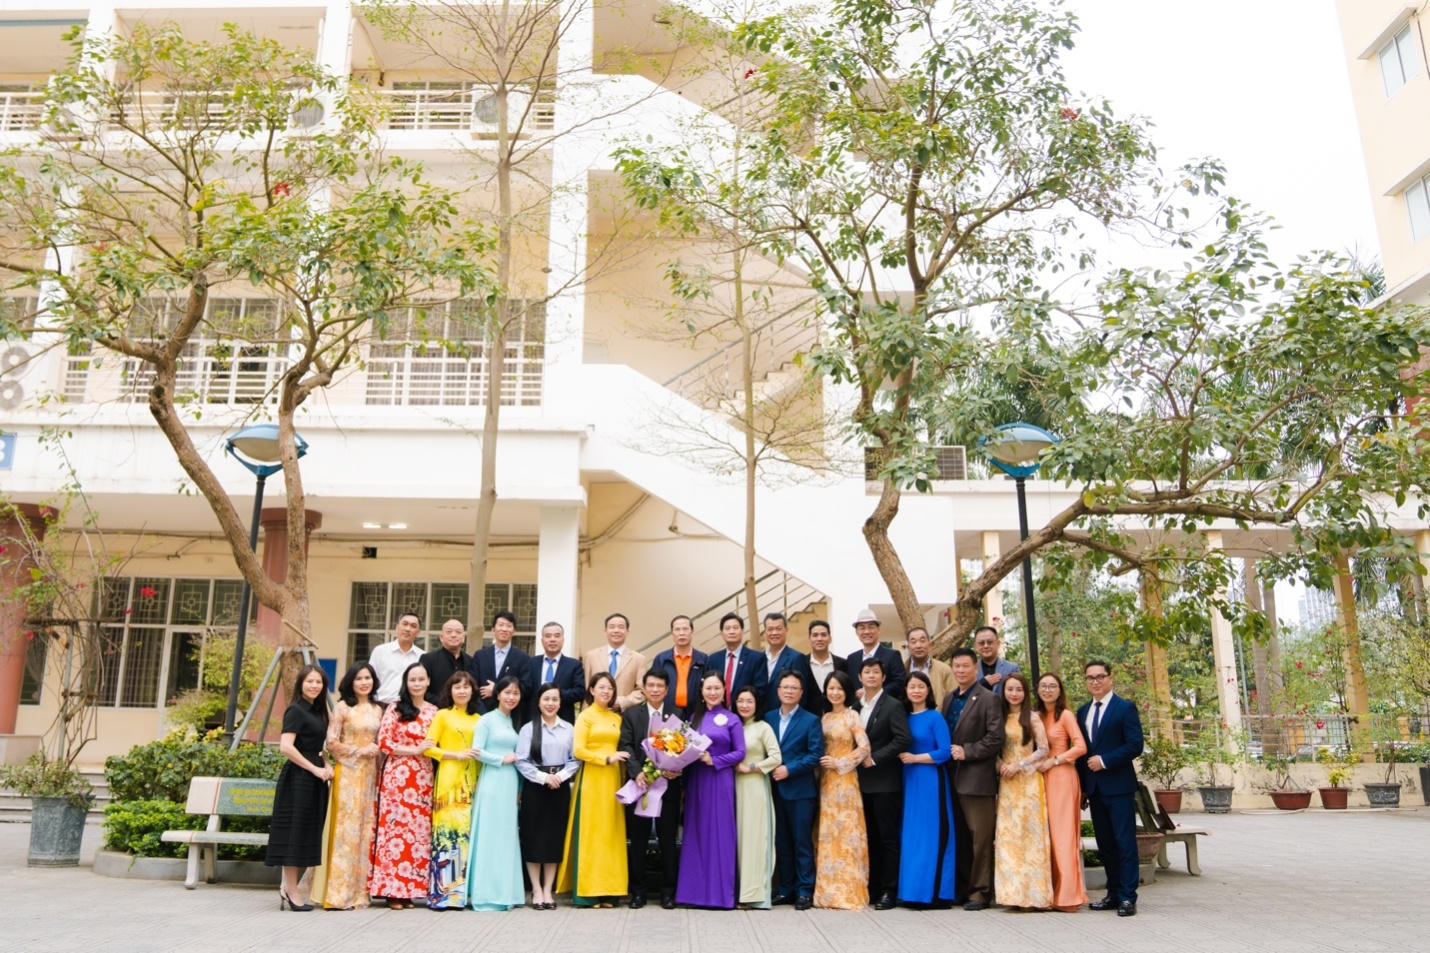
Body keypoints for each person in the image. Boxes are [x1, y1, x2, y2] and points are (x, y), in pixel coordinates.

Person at [1077, 659, 1145, 917]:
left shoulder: (1124, 708)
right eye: (1090, 677)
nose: (1095, 681)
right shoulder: (1083, 711)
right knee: (1105, 845)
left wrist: (1105, 761)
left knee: (1124, 843)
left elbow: (1135, 745)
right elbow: (1083, 753)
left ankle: (1128, 897)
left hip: (1119, 787)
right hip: (1095, 790)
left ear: (1110, 678)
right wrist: (1083, 788)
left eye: (1100, 676)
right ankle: (1113, 893)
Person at [558, 672, 630, 906]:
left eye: (610, 688)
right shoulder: (585, 717)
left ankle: (610, 891)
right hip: (592, 779)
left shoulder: (616, 718)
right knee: (592, 834)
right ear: (591, 690)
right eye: (601, 687)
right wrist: (606, 758)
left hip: (613, 780)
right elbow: (578, 750)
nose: (606, 691)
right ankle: (588, 892)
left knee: (611, 835)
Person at [369, 663, 438, 908]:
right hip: (397, 776)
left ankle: (410, 890)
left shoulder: (434, 711)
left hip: (423, 778)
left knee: (418, 834)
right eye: (412, 680)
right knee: (395, 832)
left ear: (428, 681)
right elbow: (384, 742)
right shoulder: (395, 708)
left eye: (421, 679)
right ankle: (391, 890)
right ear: (406, 683)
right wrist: (414, 750)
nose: (417, 684)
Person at [675, 672, 746, 909]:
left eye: (717, 688)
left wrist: (714, 760)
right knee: (696, 832)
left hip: (719, 778)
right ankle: (693, 893)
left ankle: (719, 895)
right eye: (708, 688)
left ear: (724, 691)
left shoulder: (732, 719)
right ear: (702, 691)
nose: (712, 692)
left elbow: (740, 752)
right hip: (696, 780)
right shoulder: (693, 718)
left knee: (720, 832)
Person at [941, 646, 1004, 910]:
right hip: (950, 777)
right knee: (960, 837)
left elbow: (995, 738)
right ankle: (962, 888)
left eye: (965, 665)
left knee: (980, 838)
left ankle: (981, 892)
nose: (961, 670)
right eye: (956, 666)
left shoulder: (988, 699)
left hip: (977, 779)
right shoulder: (948, 698)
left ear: (975, 668)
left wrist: (967, 752)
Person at [266, 664, 332, 911]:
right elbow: (286, 747)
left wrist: (327, 764)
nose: (314, 685)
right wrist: (314, 769)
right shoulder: (295, 710)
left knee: (306, 832)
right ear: (300, 684)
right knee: (294, 833)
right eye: (309, 681)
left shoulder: (319, 710)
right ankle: (290, 890)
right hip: (298, 778)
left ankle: (292, 888)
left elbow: (319, 747)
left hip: (315, 777)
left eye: (318, 682)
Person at [319, 662, 383, 910]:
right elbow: (331, 742)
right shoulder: (343, 708)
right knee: (346, 832)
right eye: (359, 678)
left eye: (368, 678)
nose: (364, 682)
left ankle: (359, 893)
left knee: (365, 831)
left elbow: (381, 742)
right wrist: (360, 751)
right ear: (351, 682)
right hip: (348, 774)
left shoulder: (378, 709)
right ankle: (338, 893)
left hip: (370, 775)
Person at [619, 668, 683, 909]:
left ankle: (668, 892)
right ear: (644, 689)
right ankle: (638, 892)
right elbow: (626, 745)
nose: (655, 690)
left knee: (668, 841)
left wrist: (676, 768)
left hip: (668, 787)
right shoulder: (631, 714)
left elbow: (683, 747)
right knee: (638, 841)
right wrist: (637, 773)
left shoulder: (677, 714)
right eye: (651, 686)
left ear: (666, 690)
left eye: (660, 686)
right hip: (640, 786)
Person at [854, 657, 911, 909]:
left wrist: (875, 758)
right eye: (867, 672)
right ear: (860, 677)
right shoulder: (854, 707)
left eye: (876, 672)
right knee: (870, 837)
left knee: (888, 837)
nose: (871, 676)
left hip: (885, 782)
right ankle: (873, 886)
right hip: (859, 782)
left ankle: (889, 890)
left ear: (883, 677)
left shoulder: (893, 705)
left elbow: (903, 739)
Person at [516, 682, 579, 910]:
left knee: (554, 838)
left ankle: (548, 890)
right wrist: (544, 778)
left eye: (555, 699)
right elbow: (521, 761)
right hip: (535, 787)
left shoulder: (569, 729)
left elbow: (575, 759)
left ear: (560, 703)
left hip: (559, 787)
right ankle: (536, 889)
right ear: (539, 702)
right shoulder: (528, 729)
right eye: (546, 699)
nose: (550, 703)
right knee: (533, 837)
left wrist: (559, 777)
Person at [993, 672, 1053, 910]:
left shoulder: (1033, 717)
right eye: (1010, 689)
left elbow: (1044, 749)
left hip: (1028, 782)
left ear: (1025, 693)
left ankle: (1034, 895)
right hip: (1007, 783)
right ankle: (1012, 895)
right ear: (1003, 692)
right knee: (1009, 837)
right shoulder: (999, 717)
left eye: (1019, 689)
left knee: (1030, 836)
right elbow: (993, 749)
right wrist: (1001, 765)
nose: (1014, 694)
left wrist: (1019, 765)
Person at [896, 672, 956, 908]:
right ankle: (911, 892)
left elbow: (945, 751)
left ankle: (934, 894)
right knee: (911, 836)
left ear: (928, 690)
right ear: (906, 690)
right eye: (912, 686)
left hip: (930, 780)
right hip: (908, 780)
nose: (916, 691)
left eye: (921, 686)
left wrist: (916, 758)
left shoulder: (935, 717)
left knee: (930, 835)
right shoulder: (902, 717)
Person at [424, 671, 481, 910]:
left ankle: (459, 894)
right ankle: (441, 894)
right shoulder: (442, 715)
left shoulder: (478, 718)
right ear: (450, 690)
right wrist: (455, 755)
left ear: (472, 691)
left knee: (465, 835)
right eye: (457, 686)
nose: (462, 691)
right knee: (447, 834)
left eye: (466, 687)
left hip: (471, 780)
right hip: (448, 780)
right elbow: (428, 748)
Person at [467, 675, 526, 910]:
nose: (512, 697)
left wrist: (520, 788)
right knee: (490, 834)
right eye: (507, 693)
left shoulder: (513, 721)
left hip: (510, 782)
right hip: (492, 780)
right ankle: (486, 895)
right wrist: (501, 759)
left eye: (516, 693)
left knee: (507, 835)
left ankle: (507, 893)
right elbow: (476, 751)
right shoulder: (487, 720)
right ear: (498, 694)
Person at [813, 670, 870, 910]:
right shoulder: (824, 717)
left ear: (846, 691)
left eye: (839, 688)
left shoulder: (852, 715)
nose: (835, 693)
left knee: (846, 832)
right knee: (827, 832)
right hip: (825, 781)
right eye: (831, 688)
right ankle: (827, 892)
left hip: (845, 780)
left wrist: (840, 762)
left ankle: (848, 890)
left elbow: (864, 747)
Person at [766, 672, 823, 910]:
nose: (789, 691)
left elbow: (815, 754)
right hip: (774, 789)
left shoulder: (811, 720)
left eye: (794, 688)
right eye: (785, 687)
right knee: (781, 841)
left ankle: (804, 890)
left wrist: (789, 769)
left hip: (800, 791)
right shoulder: (769, 717)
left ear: (801, 692)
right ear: (778, 690)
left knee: (801, 842)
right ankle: (785, 888)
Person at [1037, 672, 1089, 912]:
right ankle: (1049, 892)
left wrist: (1055, 760)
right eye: (1043, 686)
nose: (1047, 690)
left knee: (1063, 836)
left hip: (1061, 776)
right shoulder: (1037, 715)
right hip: (1040, 778)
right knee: (1046, 835)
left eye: (1052, 686)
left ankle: (1068, 896)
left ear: (1059, 691)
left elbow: (1081, 747)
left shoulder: (1066, 715)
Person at [734, 685, 782, 909]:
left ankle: (754, 895)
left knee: (754, 839)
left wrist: (752, 767)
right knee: (738, 839)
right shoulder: (733, 725)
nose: (744, 705)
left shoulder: (763, 727)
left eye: (749, 701)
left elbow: (776, 757)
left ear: (757, 704)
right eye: (741, 701)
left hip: (754, 787)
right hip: (733, 787)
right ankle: (736, 891)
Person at [471, 609, 531, 726]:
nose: (504, 629)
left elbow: (525, 688)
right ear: (493, 629)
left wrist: (496, 690)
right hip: (482, 716)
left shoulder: (523, 658)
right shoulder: (480, 656)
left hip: (511, 717)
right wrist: (483, 714)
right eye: (501, 625)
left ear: (514, 631)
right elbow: (472, 686)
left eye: (509, 626)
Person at [581, 612, 648, 712]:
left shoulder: (639, 659)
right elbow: (585, 687)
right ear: (605, 631)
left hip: (623, 715)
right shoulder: (591, 656)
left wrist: (622, 702)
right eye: (612, 627)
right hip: (593, 713)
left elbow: (642, 690)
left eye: (621, 627)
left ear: (627, 631)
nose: (616, 630)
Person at [648, 614, 707, 718]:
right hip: (667, 714)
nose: (681, 633)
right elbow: (653, 686)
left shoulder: (703, 659)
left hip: (695, 714)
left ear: (692, 631)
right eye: (677, 629)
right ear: (672, 633)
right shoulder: (661, 659)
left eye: (685, 629)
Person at [705, 612, 767, 709]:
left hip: (744, 712)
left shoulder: (756, 658)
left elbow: (760, 690)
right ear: (721, 634)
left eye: (735, 628)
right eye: (727, 628)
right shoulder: (713, 659)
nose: (732, 631)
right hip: (718, 712)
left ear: (742, 631)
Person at [529, 621, 586, 724]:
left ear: (563, 640)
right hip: (534, 719)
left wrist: (555, 695)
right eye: (548, 636)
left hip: (563, 720)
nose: (552, 639)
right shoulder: (531, 663)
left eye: (557, 636)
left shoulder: (574, 665)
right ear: (542, 641)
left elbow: (579, 692)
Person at [760, 612, 815, 714]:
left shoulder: (796, 658)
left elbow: (801, 694)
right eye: (770, 629)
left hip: (785, 716)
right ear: (765, 632)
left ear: (786, 630)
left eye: (778, 629)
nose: (774, 633)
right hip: (760, 717)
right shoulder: (759, 658)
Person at [845, 608, 907, 699]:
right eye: (862, 628)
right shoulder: (852, 659)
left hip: (885, 705)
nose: (867, 631)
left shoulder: (892, 655)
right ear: (857, 632)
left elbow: (900, 682)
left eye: (871, 627)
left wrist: (874, 693)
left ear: (878, 630)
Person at [369, 610, 424, 705]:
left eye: (413, 626)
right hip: (382, 705)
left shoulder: (422, 656)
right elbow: (370, 679)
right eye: (405, 624)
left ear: (418, 632)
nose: (408, 629)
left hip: (411, 707)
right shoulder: (380, 651)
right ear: (397, 628)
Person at [419, 618, 471, 701]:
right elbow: (421, 690)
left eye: (458, 632)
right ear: (441, 637)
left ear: (463, 638)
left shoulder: (470, 661)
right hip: (435, 707)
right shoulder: (428, 659)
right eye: (449, 632)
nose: (453, 635)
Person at [804, 619, 848, 715]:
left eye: (823, 635)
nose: (819, 639)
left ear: (830, 638)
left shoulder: (843, 664)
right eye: (815, 635)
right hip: (809, 718)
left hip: (838, 717)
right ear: (809, 639)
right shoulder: (801, 662)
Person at [904, 627, 954, 708]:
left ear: (930, 645)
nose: (918, 645)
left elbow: (954, 698)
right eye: (913, 642)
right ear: (908, 647)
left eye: (922, 641)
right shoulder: (902, 670)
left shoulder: (944, 670)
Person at [973, 625, 1020, 696]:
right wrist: (982, 683)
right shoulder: (970, 670)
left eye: (990, 642)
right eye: (981, 643)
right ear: (975, 646)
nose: (986, 646)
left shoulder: (1012, 668)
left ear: (998, 644)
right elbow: (965, 696)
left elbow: (1019, 693)